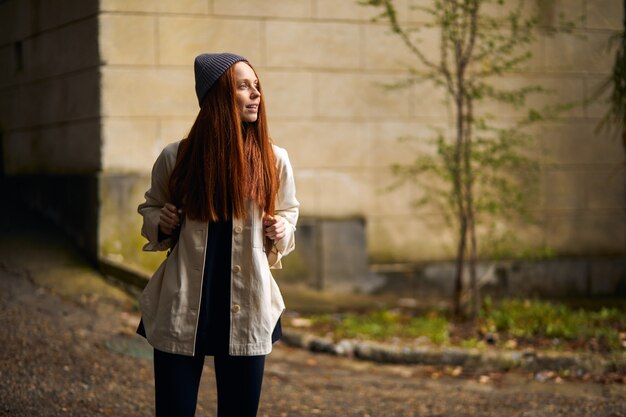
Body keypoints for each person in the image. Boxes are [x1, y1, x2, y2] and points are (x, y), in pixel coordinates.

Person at [136, 52, 299, 417]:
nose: (256, 94)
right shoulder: (176, 157)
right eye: (244, 86)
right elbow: (150, 208)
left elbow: (289, 213)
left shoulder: (275, 160)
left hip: (249, 305)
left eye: (257, 86)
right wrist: (160, 220)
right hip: (184, 305)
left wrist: (283, 229)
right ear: (218, 97)